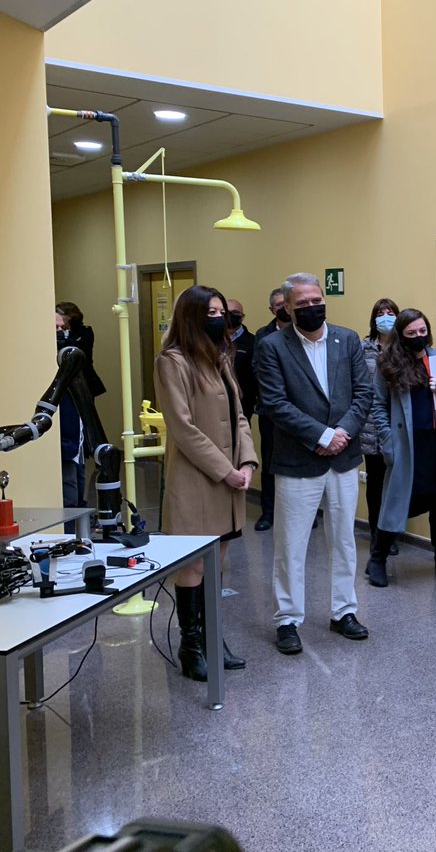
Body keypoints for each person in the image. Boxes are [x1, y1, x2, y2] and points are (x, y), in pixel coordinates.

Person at [254, 273, 372, 654]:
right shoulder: (272, 347)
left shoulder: (347, 339)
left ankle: (344, 611)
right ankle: (287, 619)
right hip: (297, 461)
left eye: (316, 300)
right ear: (287, 308)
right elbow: (274, 403)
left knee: (343, 540)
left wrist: (342, 433)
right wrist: (322, 436)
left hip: (344, 458)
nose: (311, 308)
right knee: (291, 545)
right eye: (302, 303)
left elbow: (363, 393)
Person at [154, 285, 257, 680]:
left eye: (221, 312)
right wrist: (225, 470)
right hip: (198, 479)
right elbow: (183, 428)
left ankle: (215, 638)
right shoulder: (172, 362)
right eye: (210, 312)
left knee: (217, 563)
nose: (219, 318)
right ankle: (192, 645)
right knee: (195, 563)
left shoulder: (220, 358)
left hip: (230, 480)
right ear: (192, 316)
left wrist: (246, 462)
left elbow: (239, 416)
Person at [366, 308, 436, 585]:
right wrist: (387, 439)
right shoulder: (387, 363)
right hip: (405, 444)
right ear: (401, 335)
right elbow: (378, 405)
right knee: (396, 501)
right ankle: (377, 558)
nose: (419, 336)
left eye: (423, 331)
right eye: (411, 333)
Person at [360, 297, 399, 554]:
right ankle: (376, 533)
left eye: (390, 312)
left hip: (397, 422)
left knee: (394, 482)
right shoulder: (363, 348)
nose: (385, 317)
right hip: (370, 425)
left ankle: (391, 533)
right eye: (381, 312)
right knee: (375, 482)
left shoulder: (403, 347)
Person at [252, 288, 290, 531]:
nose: (283, 308)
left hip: (301, 411)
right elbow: (258, 369)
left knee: (300, 463)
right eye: (278, 305)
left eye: (286, 304)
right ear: (272, 310)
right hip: (270, 410)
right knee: (270, 462)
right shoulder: (263, 336)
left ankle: (303, 514)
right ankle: (268, 512)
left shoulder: (303, 331)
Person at [54, 310, 88, 509]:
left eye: (63, 327)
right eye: (56, 328)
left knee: (79, 491)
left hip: (78, 438)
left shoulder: (71, 358)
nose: (61, 332)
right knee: (69, 498)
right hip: (64, 441)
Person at [55, 300, 107, 398]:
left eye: (59, 313)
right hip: (63, 378)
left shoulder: (85, 332)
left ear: (70, 316)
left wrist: (63, 336)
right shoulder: (54, 332)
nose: (56, 315)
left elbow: (76, 348)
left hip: (83, 376)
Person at [226, 298, 257, 423]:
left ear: (242, 317)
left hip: (243, 405)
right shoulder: (209, 341)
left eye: (235, 312)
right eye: (226, 312)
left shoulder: (253, 342)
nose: (230, 316)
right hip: (214, 403)